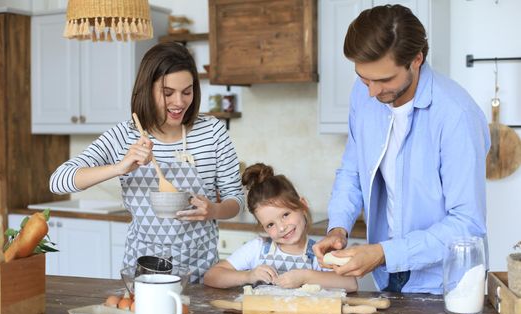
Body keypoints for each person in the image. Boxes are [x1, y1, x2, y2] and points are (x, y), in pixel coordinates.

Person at [313, 4, 490, 294]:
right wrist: (338, 227)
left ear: (416, 59)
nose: (372, 91)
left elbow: (467, 225)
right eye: (363, 77)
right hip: (387, 276)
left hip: (445, 284)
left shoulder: (457, 116)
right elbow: (352, 171)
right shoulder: (364, 94)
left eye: (384, 80)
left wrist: (384, 253)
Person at [50, 41, 245, 283]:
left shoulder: (213, 132)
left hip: (202, 275)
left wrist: (214, 210)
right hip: (143, 275)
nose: (179, 102)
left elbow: (236, 199)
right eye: (167, 93)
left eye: (187, 91)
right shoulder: (123, 136)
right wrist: (119, 167)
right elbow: (58, 182)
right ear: (147, 90)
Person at [204, 163, 358, 291]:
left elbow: (350, 284)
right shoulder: (257, 249)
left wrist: (305, 277)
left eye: (285, 215)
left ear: (303, 206)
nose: (282, 228)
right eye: (270, 224)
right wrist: (248, 276)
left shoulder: (319, 253)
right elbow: (212, 276)